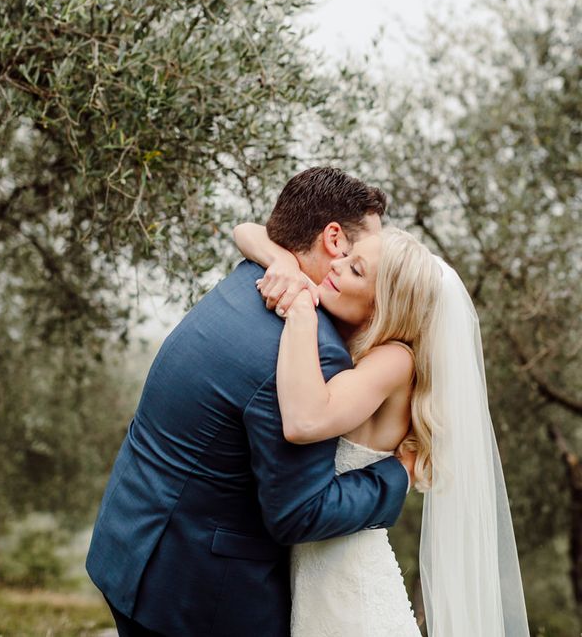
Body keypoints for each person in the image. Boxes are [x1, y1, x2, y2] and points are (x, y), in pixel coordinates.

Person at [86, 167, 412, 637]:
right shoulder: (314, 350)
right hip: (199, 595)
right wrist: (397, 475)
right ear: (335, 240)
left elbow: (251, 233)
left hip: (132, 541)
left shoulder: (254, 277)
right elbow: (300, 512)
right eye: (364, 252)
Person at [233, 221, 530, 636]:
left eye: (356, 271)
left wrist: (300, 309)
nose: (335, 267)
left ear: (383, 305)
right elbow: (245, 229)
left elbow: (304, 422)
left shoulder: (395, 361)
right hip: (319, 580)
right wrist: (282, 260)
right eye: (345, 258)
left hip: (350, 594)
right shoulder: (357, 345)